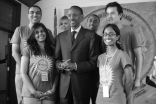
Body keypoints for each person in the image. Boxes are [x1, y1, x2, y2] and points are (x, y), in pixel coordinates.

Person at [10, 5, 55, 104]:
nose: (35, 14)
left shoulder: (48, 32)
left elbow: (52, 50)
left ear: (41, 15)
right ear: (28, 15)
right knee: (22, 100)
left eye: (38, 12)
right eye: (32, 12)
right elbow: (14, 52)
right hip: (22, 71)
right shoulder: (20, 30)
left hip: (43, 71)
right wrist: (26, 69)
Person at [55, 5, 99, 104]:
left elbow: (94, 62)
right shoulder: (60, 37)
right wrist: (60, 65)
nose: (71, 17)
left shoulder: (90, 36)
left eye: (75, 15)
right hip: (64, 88)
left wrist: (75, 66)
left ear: (81, 17)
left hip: (82, 88)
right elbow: (56, 59)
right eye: (69, 15)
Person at [105, 2, 143, 88]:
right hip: (109, 77)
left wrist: (137, 78)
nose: (109, 16)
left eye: (112, 13)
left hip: (126, 76)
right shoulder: (105, 33)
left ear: (120, 15)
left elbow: (139, 56)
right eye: (107, 14)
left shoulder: (131, 30)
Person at [20, 23, 58, 104]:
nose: (40, 34)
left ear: (46, 33)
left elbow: (56, 73)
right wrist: (34, 92)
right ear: (33, 35)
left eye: (42, 31)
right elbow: (23, 73)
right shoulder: (28, 49)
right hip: (30, 93)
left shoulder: (53, 50)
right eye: (36, 32)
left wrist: (53, 89)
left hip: (49, 94)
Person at [96, 24, 133, 104]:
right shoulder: (100, 57)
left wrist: (128, 96)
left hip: (117, 99)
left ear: (117, 37)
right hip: (100, 99)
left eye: (111, 34)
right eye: (105, 34)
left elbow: (129, 81)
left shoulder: (123, 55)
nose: (108, 36)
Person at [86, 14, 104, 104]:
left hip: (96, 77)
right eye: (90, 20)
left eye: (95, 21)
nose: (92, 23)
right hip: (82, 77)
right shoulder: (78, 39)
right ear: (86, 23)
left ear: (99, 25)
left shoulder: (102, 40)